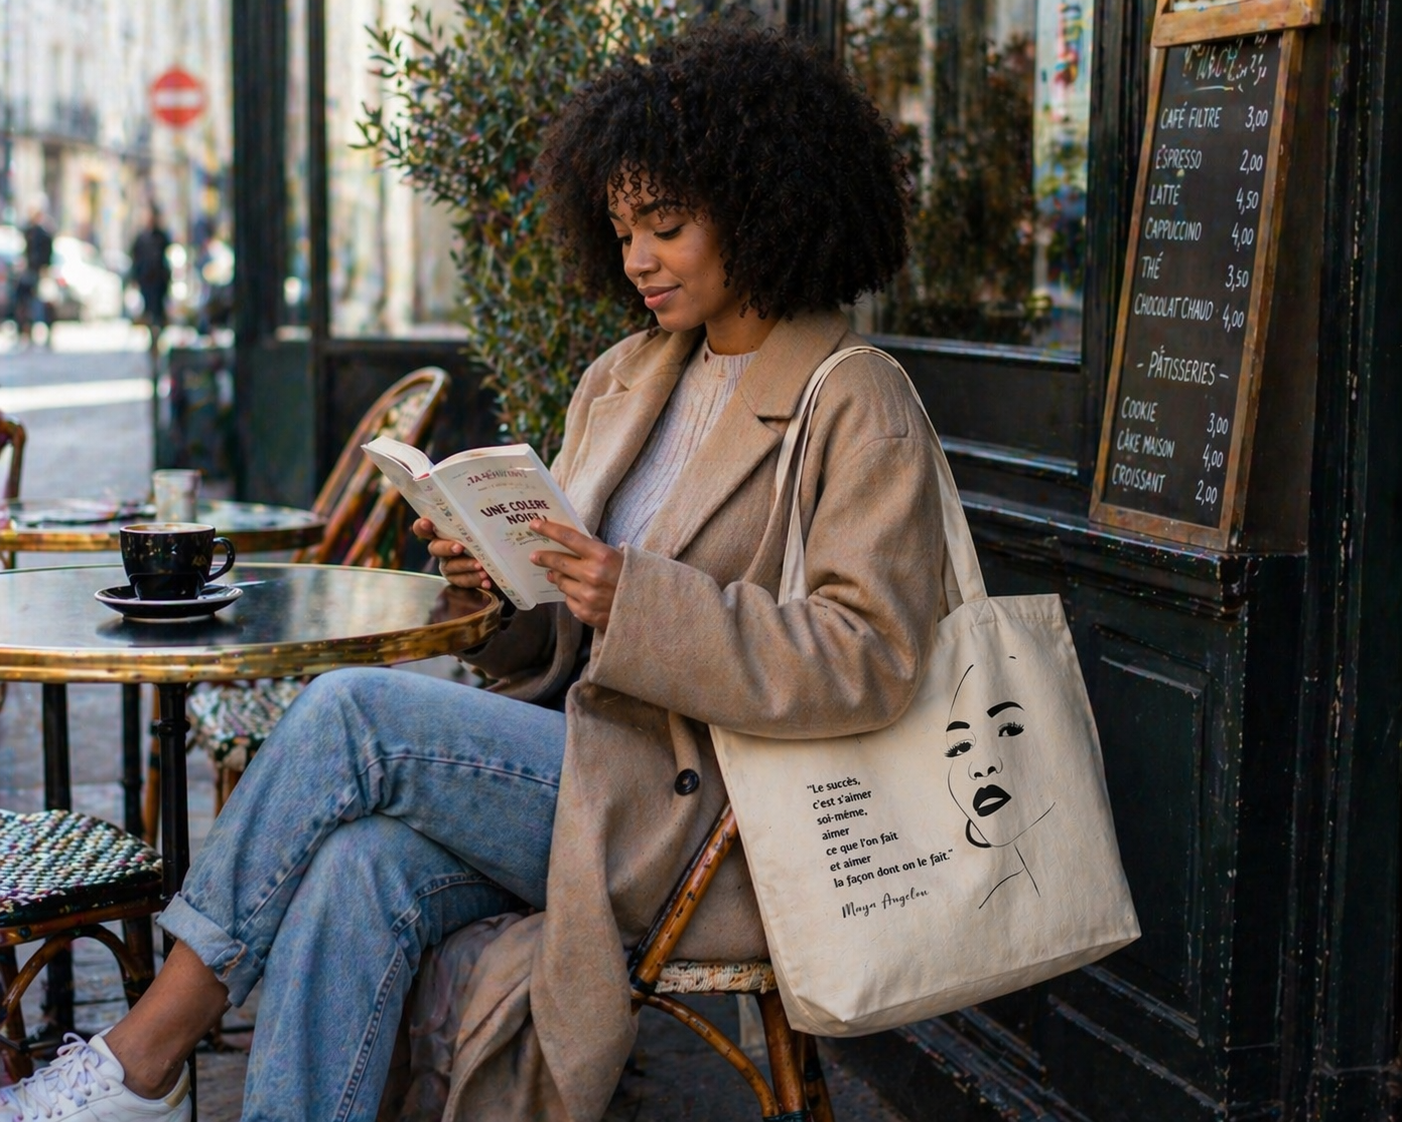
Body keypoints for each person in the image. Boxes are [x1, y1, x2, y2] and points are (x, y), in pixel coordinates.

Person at [0, 19, 944, 1122]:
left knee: (354, 714)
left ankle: (143, 1056)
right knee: (358, 866)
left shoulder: (853, 396)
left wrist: (633, 596)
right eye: (623, 228)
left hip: (711, 819)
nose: (638, 259)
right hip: (587, 774)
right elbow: (560, 642)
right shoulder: (623, 378)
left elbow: (870, 658)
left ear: (764, 204)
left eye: (668, 227)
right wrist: (499, 591)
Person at [129, 207, 172, 353]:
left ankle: (156, 339)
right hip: (147, 282)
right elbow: (135, 260)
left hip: (159, 283)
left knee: (158, 315)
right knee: (149, 314)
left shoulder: (161, 237)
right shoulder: (142, 238)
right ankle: (152, 340)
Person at [13, 205, 53, 348]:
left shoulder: (43, 234)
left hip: (39, 272)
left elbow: (47, 254)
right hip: (31, 272)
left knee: (41, 303)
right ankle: (25, 331)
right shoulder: (30, 232)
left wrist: (44, 269)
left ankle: (45, 331)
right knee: (25, 302)